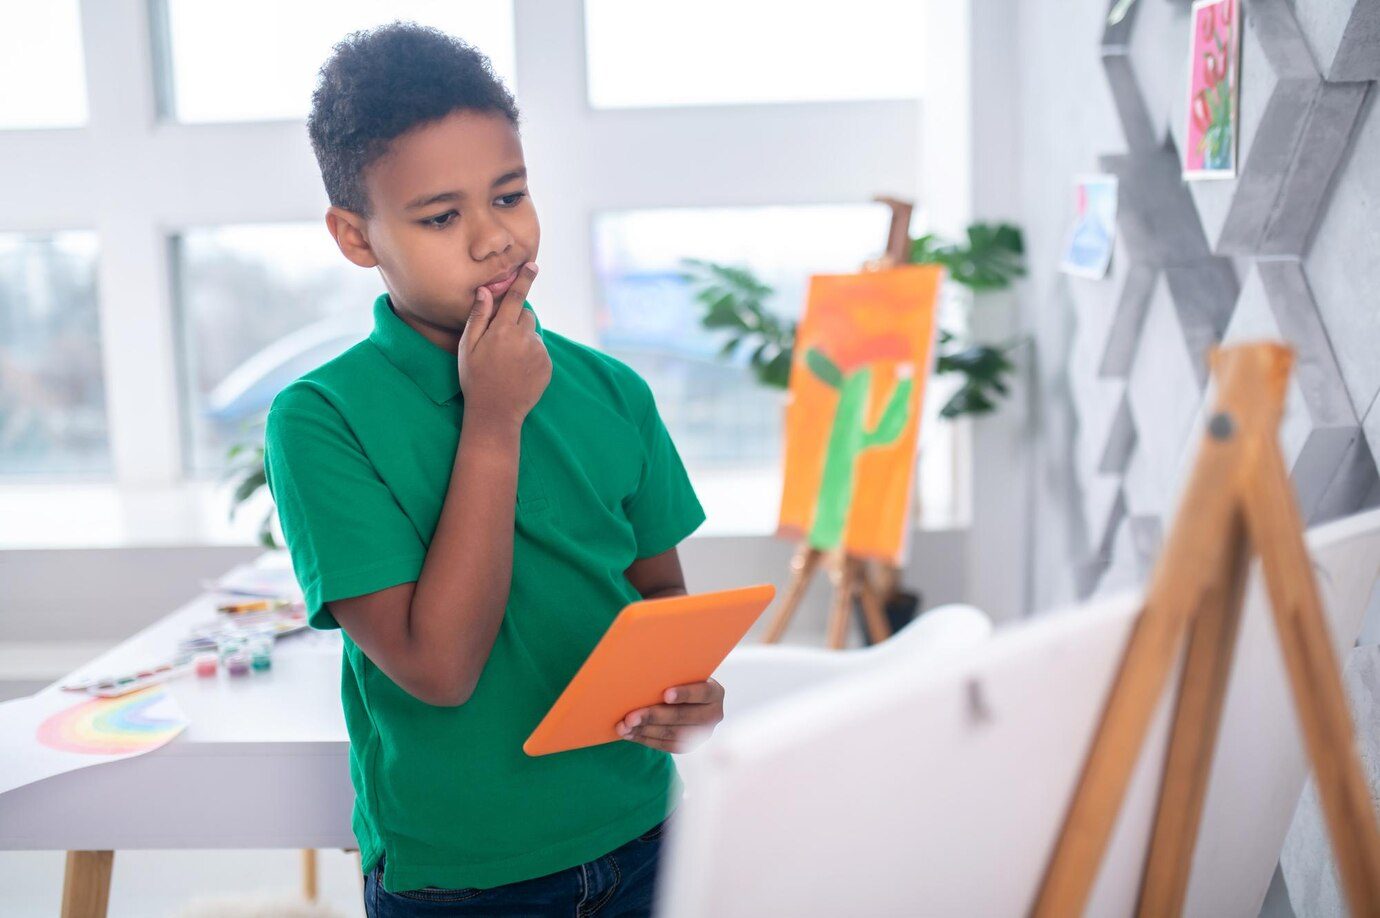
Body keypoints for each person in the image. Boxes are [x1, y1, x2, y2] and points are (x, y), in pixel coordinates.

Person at [263, 21, 719, 916]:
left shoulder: (611, 391)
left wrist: (684, 696)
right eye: (441, 216)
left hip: (645, 832)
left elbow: (657, 599)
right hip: (466, 875)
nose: (492, 239)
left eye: (508, 196)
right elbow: (439, 670)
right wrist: (493, 420)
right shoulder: (320, 420)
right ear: (356, 237)